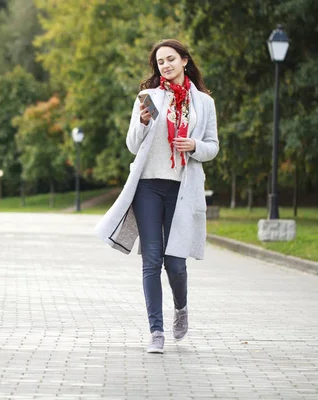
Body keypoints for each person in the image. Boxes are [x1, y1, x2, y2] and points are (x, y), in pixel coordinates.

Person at [95, 39, 219, 353]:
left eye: (170, 59)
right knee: (151, 260)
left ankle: (181, 308)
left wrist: (194, 147)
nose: (165, 65)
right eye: (160, 62)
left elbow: (213, 147)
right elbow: (133, 145)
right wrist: (143, 122)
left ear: (185, 61)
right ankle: (156, 332)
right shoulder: (149, 97)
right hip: (148, 186)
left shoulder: (204, 103)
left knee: (175, 263)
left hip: (182, 189)